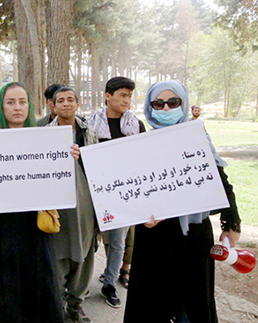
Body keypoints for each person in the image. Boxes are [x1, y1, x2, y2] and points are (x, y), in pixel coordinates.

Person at [124, 80, 242, 323]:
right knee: (153, 303)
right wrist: (139, 215)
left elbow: (220, 180)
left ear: (183, 103)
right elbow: (129, 192)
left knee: (193, 302)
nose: (166, 109)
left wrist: (232, 223)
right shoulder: (139, 143)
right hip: (155, 235)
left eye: (173, 102)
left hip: (194, 236)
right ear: (149, 107)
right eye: (159, 103)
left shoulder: (198, 136)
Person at [0, 82, 66, 322]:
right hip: (0, 239)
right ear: (1, 106)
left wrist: (66, 160)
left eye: (22, 102)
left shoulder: (48, 142)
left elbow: (58, 187)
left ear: (29, 105)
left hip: (36, 237)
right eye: (10, 102)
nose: (17, 108)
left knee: (41, 299)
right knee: (5, 302)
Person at [87, 76, 146, 308]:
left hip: (123, 193)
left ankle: (109, 283)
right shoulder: (89, 125)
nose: (127, 100)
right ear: (107, 96)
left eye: (130, 96)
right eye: (123, 95)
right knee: (89, 241)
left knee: (119, 242)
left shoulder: (136, 125)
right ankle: (77, 287)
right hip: (94, 192)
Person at [48, 86, 98, 323]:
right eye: (60, 100)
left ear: (77, 104)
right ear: (53, 106)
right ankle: (56, 304)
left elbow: (100, 169)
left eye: (70, 100)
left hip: (86, 205)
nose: (66, 104)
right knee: (57, 256)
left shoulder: (89, 132)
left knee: (84, 255)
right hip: (58, 206)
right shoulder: (43, 134)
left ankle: (76, 305)